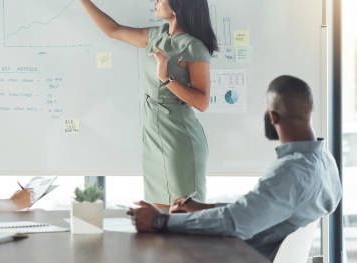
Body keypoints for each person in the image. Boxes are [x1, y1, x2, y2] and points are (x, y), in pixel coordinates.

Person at [127, 75, 342, 261]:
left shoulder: (291, 171)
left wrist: (159, 221)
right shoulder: (324, 161)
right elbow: (259, 207)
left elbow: (235, 222)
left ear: (273, 116)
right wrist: (204, 208)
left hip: (239, 255)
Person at [68, 0, 217, 207]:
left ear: (177, 5)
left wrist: (165, 78)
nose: (156, 1)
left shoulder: (193, 46)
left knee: (183, 211)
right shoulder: (156, 36)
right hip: (153, 136)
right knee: (157, 212)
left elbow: (202, 102)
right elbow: (113, 30)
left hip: (179, 139)